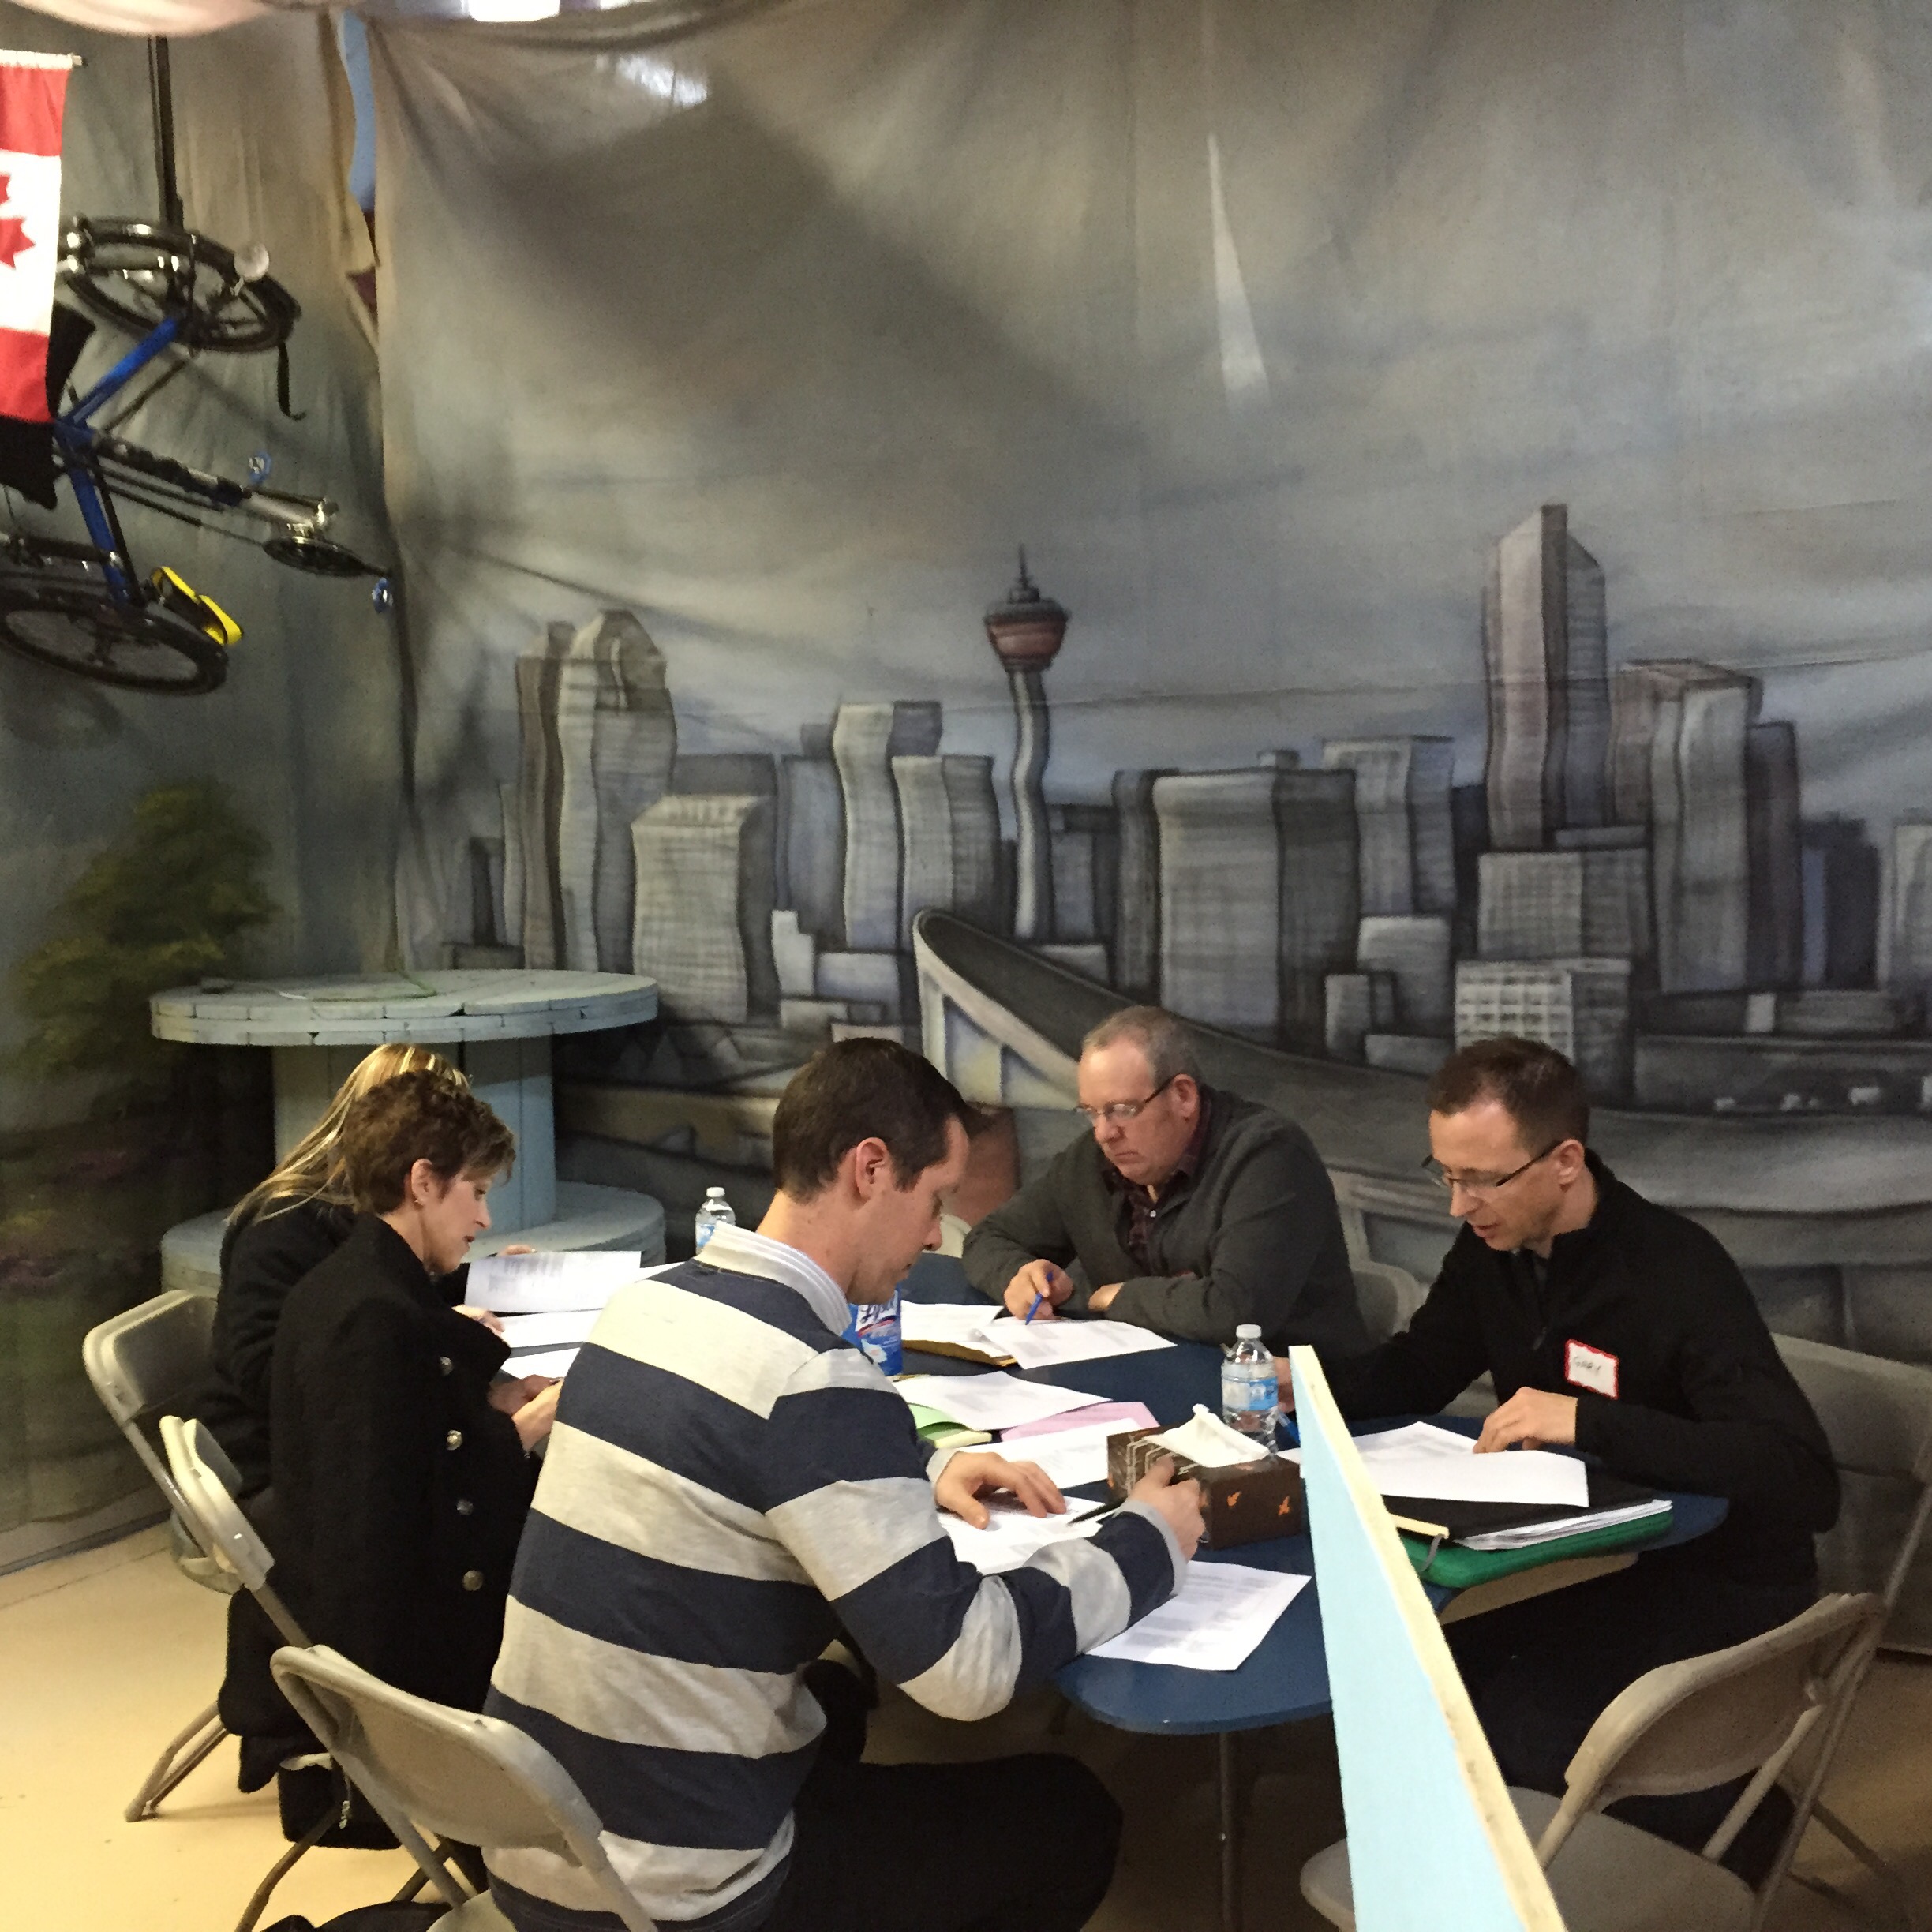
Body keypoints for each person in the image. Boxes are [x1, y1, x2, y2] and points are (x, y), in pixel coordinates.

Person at [485, 1037, 1205, 1932]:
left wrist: (920, 1466)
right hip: (680, 1897)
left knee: (834, 1705)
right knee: (1068, 1814)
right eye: (934, 1199)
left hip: (537, 1840)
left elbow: (727, 1446)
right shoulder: (813, 1379)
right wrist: (1147, 1540)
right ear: (870, 1169)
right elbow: (967, 1668)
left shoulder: (646, 1307)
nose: (935, 1236)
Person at [1290, 1035, 1838, 1862]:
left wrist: (1586, 1422)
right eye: (1447, 1174)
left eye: (1483, 1178)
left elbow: (1801, 1478)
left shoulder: (1673, 1271)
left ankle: (1726, 1833)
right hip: (1591, 1563)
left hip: (1715, 1580)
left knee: (1511, 1728)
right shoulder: (1496, 1249)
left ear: (1565, 1161)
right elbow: (1420, 1368)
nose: (1459, 1205)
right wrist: (1295, 1391)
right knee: (1418, 1673)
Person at [219, 1071, 560, 1817]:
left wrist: (494, 1406)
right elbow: (386, 1542)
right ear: (423, 1182)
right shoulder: (371, 1319)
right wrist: (525, 1427)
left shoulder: (360, 1284)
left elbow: (414, 1451)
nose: (484, 1217)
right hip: (413, 1685)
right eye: (476, 1191)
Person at [960, 1005, 1368, 1355]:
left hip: (1284, 1403)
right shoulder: (1091, 1160)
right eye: (1091, 1112)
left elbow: (1234, 1312)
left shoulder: (1268, 1156)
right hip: (1150, 1385)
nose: (1104, 1133)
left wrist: (1111, 1296)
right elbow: (988, 1238)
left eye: (1122, 1110)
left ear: (1183, 1096)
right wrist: (1021, 1276)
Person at [196, 1043, 482, 1495]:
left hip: (337, 1448)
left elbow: (401, 1293)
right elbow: (270, 1376)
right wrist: (432, 1339)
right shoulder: (282, 1226)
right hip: (283, 1468)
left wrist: (491, 1281)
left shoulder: (364, 1216)